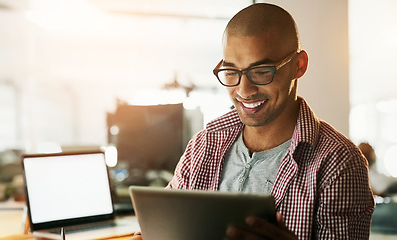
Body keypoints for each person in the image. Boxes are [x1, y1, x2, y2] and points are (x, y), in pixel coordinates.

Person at [129, 3, 374, 240]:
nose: (244, 90)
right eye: (231, 71)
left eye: (261, 71)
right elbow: (163, 226)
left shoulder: (340, 162)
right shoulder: (204, 144)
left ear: (299, 66)